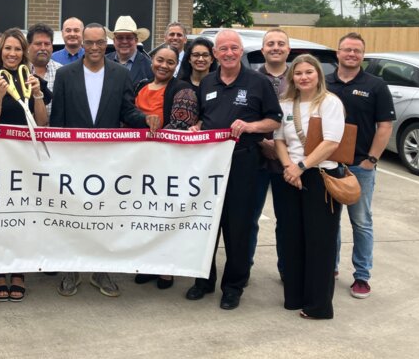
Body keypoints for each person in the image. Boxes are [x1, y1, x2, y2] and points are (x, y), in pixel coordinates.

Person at [50, 23, 161, 298]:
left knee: (104, 217)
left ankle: (102, 271)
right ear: (83, 44)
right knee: (72, 216)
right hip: (73, 159)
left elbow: (127, 111)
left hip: (107, 160)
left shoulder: (120, 74)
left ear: (106, 43)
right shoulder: (65, 75)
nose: (95, 47)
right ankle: (70, 269)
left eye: (100, 42)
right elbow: (58, 122)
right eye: (90, 43)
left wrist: (145, 119)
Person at [186, 29, 282, 310]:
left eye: (234, 48)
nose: (228, 53)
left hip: (244, 160)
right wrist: (198, 127)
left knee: (237, 226)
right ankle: (203, 281)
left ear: (241, 52)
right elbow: (206, 117)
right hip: (209, 164)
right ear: (215, 54)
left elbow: (274, 120)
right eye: (223, 49)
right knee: (206, 223)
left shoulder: (258, 82)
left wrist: (250, 126)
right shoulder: (207, 83)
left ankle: (233, 286)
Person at [0, 27, 51, 301]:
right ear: (0, 51)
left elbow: (41, 122)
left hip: (26, 156)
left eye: (17, 49)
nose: (12, 53)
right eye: (7, 48)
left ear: (25, 52)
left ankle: (19, 271)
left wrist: (38, 94)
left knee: (23, 214)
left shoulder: (31, 79)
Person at [273, 54, 346, 319]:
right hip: (290, 176)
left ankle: (318, 305)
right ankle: (294, 297)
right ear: (292, 77)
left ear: (318, 75)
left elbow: (331, 142)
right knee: (291, 239)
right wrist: (289, 168)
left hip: (319, 177)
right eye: (299, 73)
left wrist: (301, 167)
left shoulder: (329, 103)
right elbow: (279, 139)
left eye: (309, 72)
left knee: (320, 242)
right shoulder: (284, 104)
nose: (304, 77)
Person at [326, 33, 395, 299]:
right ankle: (330, 267)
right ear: (338, 53)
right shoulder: (326, 83)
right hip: (329, 164)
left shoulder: (375, 85)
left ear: (362, 55)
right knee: (330, 221)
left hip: (359, 166)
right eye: (347, 50)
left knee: (361, 222)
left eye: (357, 51)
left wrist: (371, 160)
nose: (351, 54)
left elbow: (385, 126)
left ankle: (362, 276)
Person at [133, 43, 198, 290]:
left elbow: (181, 124)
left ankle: (166, 269)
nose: (164, 65)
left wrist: (152, 140)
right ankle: (147, 264)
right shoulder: (139, 86)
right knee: (143, 215)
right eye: (160, 60)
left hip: (167, 162)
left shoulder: (183, 90)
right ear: (152, 61)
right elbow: (126, 115)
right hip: (138, 162)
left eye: (170, 62)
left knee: (165, 216)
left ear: (176, 66)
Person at [249, 29, 290, 279]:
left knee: (286, 222)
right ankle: (246, 266)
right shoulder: (250, 79)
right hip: (257, 157)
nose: (276, 47)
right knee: (250, 218)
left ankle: (287, 269)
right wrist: (264, 143)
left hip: (289, 163)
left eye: (281, 43)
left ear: (288, 49)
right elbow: (243, 116)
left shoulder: (299, 78)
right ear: (263, 49)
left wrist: (284, 150)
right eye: (270, 44)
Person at [106, 16, 153, 87]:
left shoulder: (149, 67)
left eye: (129, 37)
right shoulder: (103, 62)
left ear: (136, 41)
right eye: (120, 37)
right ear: (114, 41)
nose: (124, 41)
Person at [27, 23, 61, 117]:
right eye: (38, 44)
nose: (43, 48)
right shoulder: (19, 71)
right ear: (28, 46)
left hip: (55, 130)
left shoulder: (62, 72)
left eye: (47, 44)